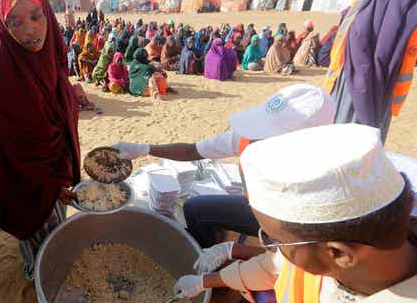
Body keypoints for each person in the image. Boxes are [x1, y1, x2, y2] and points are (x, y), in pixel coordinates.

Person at [173, 123, 417, 303]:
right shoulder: (342, 256)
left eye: (274, 240)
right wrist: (204, 282)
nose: (272, 248)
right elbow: (275, 267)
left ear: (337, 253)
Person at [113, 84, 336, 248]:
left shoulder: (321, 178)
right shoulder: (249, 136)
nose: (259, 138)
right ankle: (203, 253)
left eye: (271, 135)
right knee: (194, 209)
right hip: (255, 207)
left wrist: (232, 253)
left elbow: (291, 254)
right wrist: (145, 149)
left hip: (284, 229)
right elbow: (192, 150)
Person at [0, 0, 81, 281]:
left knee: (56, 225)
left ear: (47, 10)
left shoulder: (52, 45)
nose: (31, 31)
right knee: (36, 230)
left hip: (55, 163)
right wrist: (48, 185)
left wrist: (71, 94)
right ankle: (36, 271)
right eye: (15, 22)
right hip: (23, 177)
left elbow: (55, 95)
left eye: (36, 16)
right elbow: (9, 146)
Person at [325, 0, 417, 143]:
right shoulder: (357, 7)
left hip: (381, 96)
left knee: (366, 152)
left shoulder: (413, 17)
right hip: (345, 90)